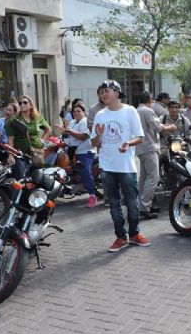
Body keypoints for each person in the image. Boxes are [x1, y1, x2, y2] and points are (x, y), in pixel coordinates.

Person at [90, 80, 149, 252]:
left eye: (106, 91)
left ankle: (135, 234)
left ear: (117, 92)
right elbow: (94, 142)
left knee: (132, 203)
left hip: (126, 166)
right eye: (101, 92)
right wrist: (98, 135)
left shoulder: (130, 111)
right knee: (114, 204)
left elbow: (140, 137)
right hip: (107, 165)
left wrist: (127, 144)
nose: (103, 94)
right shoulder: (100, 115)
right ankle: (120, 237)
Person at [137, 92, 177, 220]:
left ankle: (141, 205)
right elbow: (157, 127)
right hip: (149, 147)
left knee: (143, 177)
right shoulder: (147, 111)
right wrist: (170, 127)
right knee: (153, 177)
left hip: (140, 148)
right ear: (150, 100)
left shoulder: (137, 110)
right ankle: (144, 206)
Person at [54, 103, 98, 208]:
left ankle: (92, 195)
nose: (76, 113)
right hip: (71, 151)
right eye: (74, 112)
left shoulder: (85, 122)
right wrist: (63, 132)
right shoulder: (73, 122)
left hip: (84, 152)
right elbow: (68, 135)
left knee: (85, 172)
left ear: (84, 112)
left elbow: (83, 136)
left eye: (79, 111)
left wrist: (68, 131)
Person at [6, 95, 52, 178]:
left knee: (37, 178)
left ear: (31, 105)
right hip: (21, 154)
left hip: (37, 153)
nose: (22, 104)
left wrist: (43, 139)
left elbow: (48, 129)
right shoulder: (13, 121)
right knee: (22, 178)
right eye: (20, 103)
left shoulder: (38, 118)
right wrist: (10, 155)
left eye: (25, 102)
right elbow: (10, 140)